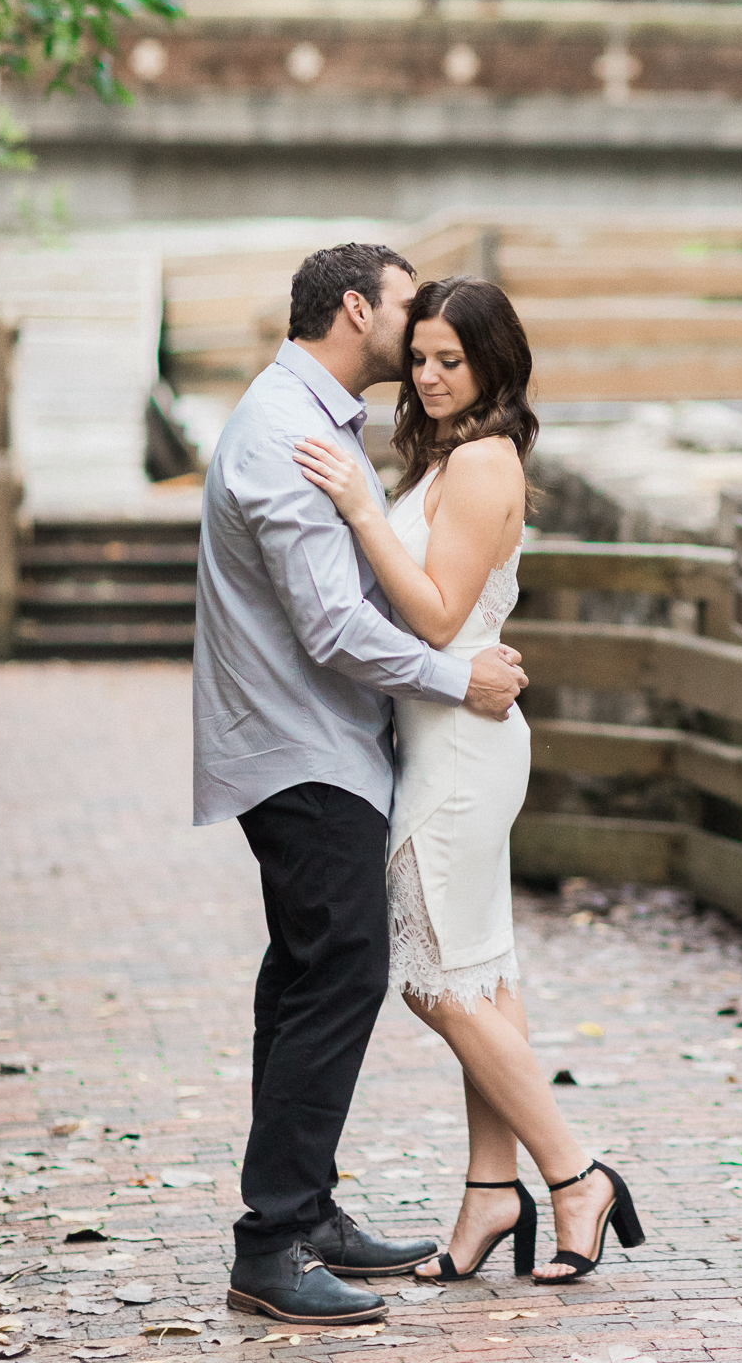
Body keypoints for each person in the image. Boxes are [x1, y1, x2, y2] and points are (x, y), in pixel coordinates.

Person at [193, 244, 530, 1327]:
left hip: (321, 742)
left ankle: (306, 1211)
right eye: (403, 310)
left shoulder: (319, 418)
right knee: (342, 968)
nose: (417, 332)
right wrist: (459, 676)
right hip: (301, 750)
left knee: (307, 971)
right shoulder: (284, 430)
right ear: (355, 308)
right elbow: (333, 623)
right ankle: (274, 1239)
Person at [292, 275, 645, 1287]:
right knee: (482, 973)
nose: (434, 375)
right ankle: (493, 1190)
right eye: (425, 358)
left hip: (458, 744)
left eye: (456, 359)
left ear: (495, 363)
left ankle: (576, 1173)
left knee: (433, 978)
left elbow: (441, 619)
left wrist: (361, 505)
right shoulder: (458, 457)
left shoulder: (485, 462)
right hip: (451, 731)